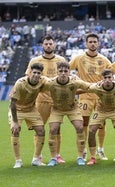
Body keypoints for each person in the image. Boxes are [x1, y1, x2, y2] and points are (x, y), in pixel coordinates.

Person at [69, 33, 112, 161]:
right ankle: (84, 151)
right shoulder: (79, 58)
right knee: (84, 124)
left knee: (101, 125)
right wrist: (74, 79)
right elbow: (66, 68)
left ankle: (100, 149)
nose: (93, 44)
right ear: (86, 43)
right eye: (90, 42)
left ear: (98, 43)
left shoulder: (104, 60)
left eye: (95, 42)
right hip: (85, 97)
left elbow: (111, 74)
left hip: (100, 97)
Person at [25, 35, 66, 164]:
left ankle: (57, 155)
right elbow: (28, 79)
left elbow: (66, 79)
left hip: (57, 101)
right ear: (42, 45)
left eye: (50, 44)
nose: (48, 46)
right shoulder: (35, 61)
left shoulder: (61, 60)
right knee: (39, 128)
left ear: (54, 45)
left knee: (57, 128)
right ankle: (39, 155)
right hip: (41, 100)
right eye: (46, 44)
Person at [44, 62, 92, 166]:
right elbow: (39, 88)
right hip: (57, 109)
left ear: (69, 72)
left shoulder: (74, 81)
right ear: (57, 72)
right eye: (60, 71)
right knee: (53, 129)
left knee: (80, 127)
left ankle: (80, 157)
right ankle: (53, 158)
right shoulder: (50, 83)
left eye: (65, 71)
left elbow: (88, 86)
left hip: (72, 108)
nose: (63, 73)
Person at [87, 69, 115, 165]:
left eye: (109, 77)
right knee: (91, 131)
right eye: (105, 78)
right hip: (100, 111)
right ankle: (92, 157)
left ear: (113, 78)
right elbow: (84, 89)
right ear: (102, 79)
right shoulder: (96, 87)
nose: (107, 80)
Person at [9, 63, 47, 168]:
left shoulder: (42, 81)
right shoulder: (20, 83)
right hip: (17, 110)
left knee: (41, 130)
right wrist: (15, 122)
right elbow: (12, 103)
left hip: (31, 109)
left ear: (41, 74)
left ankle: (36, 159)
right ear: (29, 72)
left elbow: (53, 82)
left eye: (38, 73)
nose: (36, 75)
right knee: (15, 130)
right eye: (34, 72)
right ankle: (18, 161)